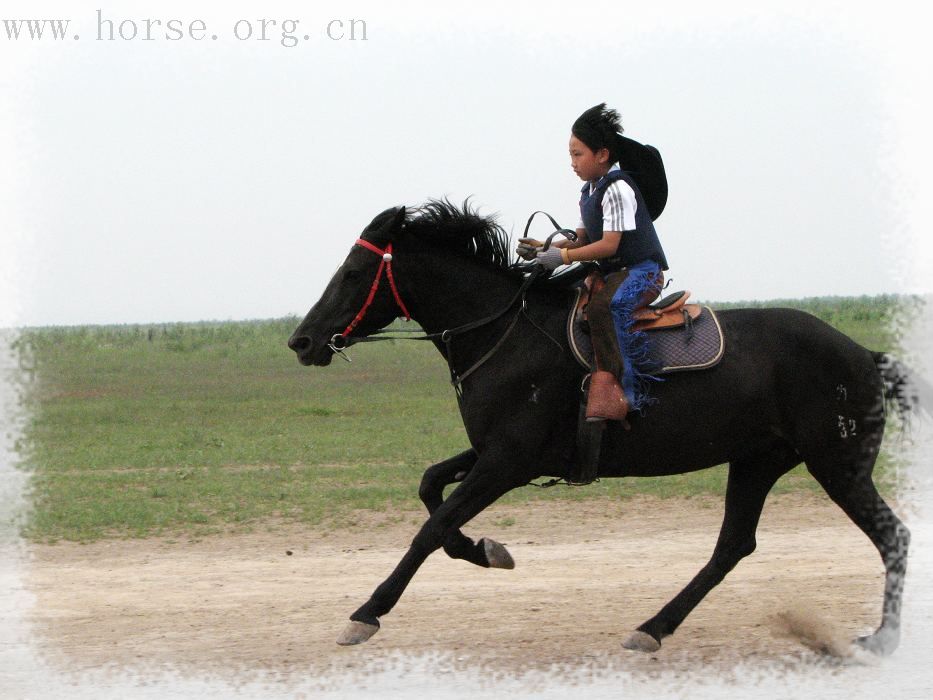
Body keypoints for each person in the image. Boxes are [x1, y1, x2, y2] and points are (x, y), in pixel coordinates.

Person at [518, 103, 669, 423]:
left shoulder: (617, 189)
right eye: (571, 155)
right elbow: (583, 241)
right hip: (615, 271)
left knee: (605, 308)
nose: (572, 163)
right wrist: (545, 247)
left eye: (578, 154)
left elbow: (608, 245)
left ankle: (626, 394)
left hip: (641, 271)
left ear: (602, 155)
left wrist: (562, 257)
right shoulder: (589, 190)